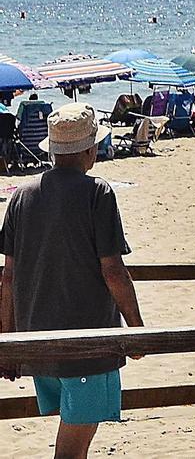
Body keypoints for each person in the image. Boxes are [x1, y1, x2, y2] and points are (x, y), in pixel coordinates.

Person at [0, 103, 145, 458]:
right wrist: (137, 330)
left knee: (73, 443)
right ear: (90, 150)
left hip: (39, 342)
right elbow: (112, 270)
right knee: (70, 450)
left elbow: (8, 278)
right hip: (87, 345)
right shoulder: (98, 192)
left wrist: (9, 342)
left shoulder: (22, 195)